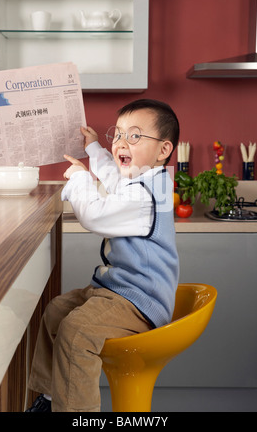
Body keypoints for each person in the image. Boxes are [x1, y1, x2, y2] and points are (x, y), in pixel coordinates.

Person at [26, 98, 180, 412]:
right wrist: (95, 149)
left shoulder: (144, 195)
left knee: (76, 332)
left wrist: (82, 177)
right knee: (56, 311)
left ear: (163, 150)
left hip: (138, 300)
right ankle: (51, 398)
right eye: (118, 134)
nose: (122, 142)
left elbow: (94, 216)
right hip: (116, 292)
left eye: (134, 136)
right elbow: (112, 177)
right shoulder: (141, 181)